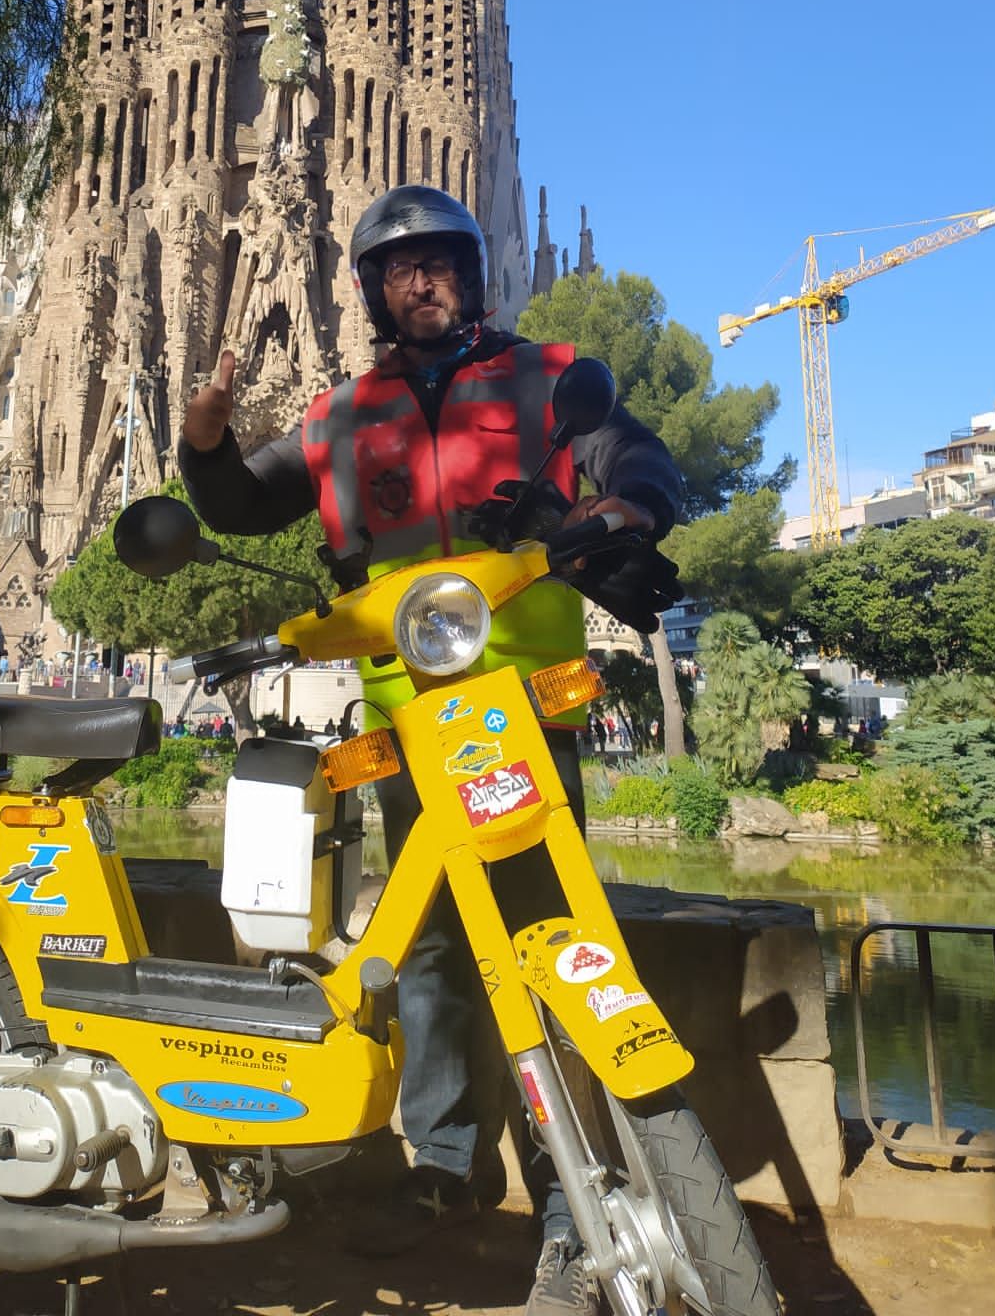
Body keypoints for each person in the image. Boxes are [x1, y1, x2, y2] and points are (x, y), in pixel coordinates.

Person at [179, 184, 683, 1316]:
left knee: (552, 947)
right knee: (431, 955)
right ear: (370, 290)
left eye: (442, 261)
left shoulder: (549, 375)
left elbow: (636, 461)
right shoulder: (338, 416)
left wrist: (627, 512)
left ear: (474, 271)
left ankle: (574, 1200)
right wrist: (203, 440)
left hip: (519, 715)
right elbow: (236, 505)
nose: (424, 280)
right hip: (409, 725)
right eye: (401, 268)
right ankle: (447, 1170)